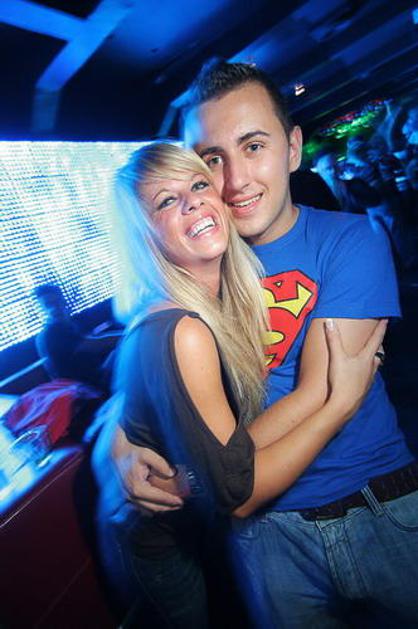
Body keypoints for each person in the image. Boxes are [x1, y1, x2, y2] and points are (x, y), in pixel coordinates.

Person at [110, 61, 418, 627]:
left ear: (293, 149)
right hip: (264, 535)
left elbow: (322, 390)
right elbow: (145, 371)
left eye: (254, 146)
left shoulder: (349, 239)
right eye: (212, 159)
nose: (234, 181)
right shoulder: (195, 265)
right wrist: (119, 441)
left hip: (379, 499)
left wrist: (199, 471)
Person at [34, 283, 121, 392]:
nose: (54, 308)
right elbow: (99, 343)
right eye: (48, 305)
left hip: (92, 381)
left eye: (57, 302)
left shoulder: (66, 325)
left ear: (63, 301)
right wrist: (129, 334)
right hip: (89, 389)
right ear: (41, 309)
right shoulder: (53, 333)